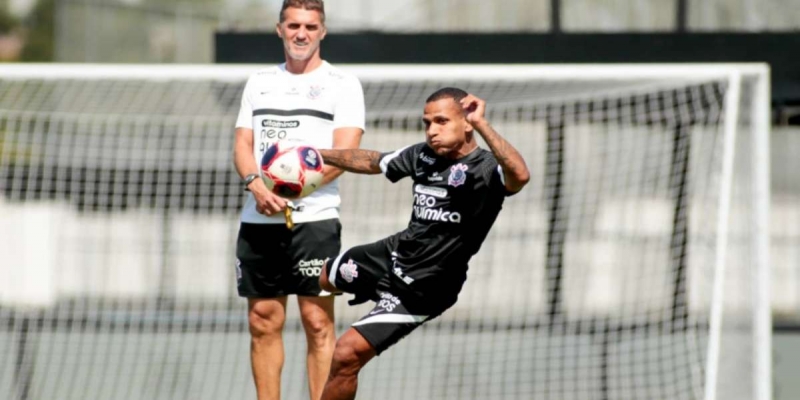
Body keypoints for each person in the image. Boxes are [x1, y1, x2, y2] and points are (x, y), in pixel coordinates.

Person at [315, 88, 530, 400]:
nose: (432, 130)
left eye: (441, 121)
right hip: (392, 255)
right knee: (320, 278)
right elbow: (373, 160)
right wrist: (319, 154)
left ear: (467, 122)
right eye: (427, 123)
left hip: (425, 288)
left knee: (346, 354)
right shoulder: (423, 155)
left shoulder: (486, 169)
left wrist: (483, 124)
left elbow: (520, 175)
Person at [232, 1, 365, 399]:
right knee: (262, 320)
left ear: (323, 31)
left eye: (310, 25)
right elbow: (243, 143)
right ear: (279, 30)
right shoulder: (258, 82)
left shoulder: (343, 84)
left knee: (318, 323)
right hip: (259, 218)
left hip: (316, 219)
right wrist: (258, 185)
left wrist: (292, 189)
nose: (301, 33)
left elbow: (347, 152)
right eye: (293, 25)